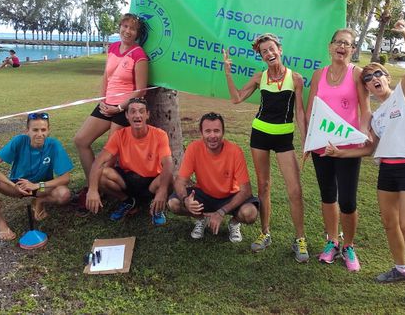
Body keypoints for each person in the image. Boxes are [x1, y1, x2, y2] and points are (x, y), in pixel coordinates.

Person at [323, 19, 405, 304]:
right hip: (388, 169)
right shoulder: (376, 117)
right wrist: (339, 154)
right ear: (367, 88)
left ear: (387, 76)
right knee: (388, 223)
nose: (374, 80)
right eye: (368, 80)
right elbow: (370, 150)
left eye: (378, 74)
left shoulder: (404, 94)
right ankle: (401, 269)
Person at [223, 33, 309, 263]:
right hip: (260, 135)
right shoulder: (260, 77)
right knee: (264, 186)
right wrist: (228, 73)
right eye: (264, 51)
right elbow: (236, 99)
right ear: (261, 56)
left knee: (295, 190)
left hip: (284, 139)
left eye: (272, 49)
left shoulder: (296, 78)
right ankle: (265, 233)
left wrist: (306, 141)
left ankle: (300, 238)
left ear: (280, 49)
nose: (269, 54)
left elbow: (299, 112)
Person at [305, 28, 371, 272]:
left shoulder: (357, 74)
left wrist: (363, 133)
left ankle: (349, 246)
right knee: (327, 194)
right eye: (338, 43)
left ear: (353, 50)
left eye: (347, 44)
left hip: (347, 148)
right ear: (330, 46)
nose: (342, 47)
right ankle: (332, 241)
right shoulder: (318, 74)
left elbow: (365, 109)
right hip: (321, 147)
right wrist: (308, 142)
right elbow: (312, 109)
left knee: (348, 200)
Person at [73, 13, 148, 214]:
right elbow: (107, 75)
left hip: (124, 109)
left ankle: (113, 194)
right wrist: (101, 99)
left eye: (132, 29)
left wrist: (120, 108)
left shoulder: (139, 54)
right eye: (124, 26)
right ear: (119, 27)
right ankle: (93, 187)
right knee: (81, 140)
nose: (127, 31)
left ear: (137, 33)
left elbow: (140, 90)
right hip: (106, 104)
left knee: (108, 158)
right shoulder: (113, 47)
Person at [0, 112, 73, 240]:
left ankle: (40, 201)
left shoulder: (54, 145)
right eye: (35, 130)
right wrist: (13, 185)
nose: (39, 134)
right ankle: (1, 224)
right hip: (17, 187)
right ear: (27, 131)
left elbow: (65, 178)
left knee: (64, 194)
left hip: (40, 189)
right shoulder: (19, 141)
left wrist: (37, 186)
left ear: (49, 130)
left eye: (43, 130)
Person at [168, 112, 259, 242]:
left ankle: (234, 223)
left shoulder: (235, 151)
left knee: (250, 214)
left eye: (216, 131)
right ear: (201, 133)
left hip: (230, 195)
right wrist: (185, 199)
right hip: (204, 194)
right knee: (174, 203)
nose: (212, 136)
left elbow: (246, 190)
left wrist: (221, 211)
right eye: (208, 131)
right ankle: (201, 218)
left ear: (223, 132)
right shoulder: (194, 148)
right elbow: (180, 182)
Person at [85, 97, 173, 226]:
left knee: (170, 178)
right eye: (132, 111)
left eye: (141, 111)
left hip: (151, 183)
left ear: (147, 114)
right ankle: (127, 201)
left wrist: (163, 190)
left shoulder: (160, 135)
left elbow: (168, 164)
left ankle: (157, 206)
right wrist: (92, 189)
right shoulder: (120, 135)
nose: (137, 115)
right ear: (127, 115)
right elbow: (99, 161)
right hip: (127, 180)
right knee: (101, 174)